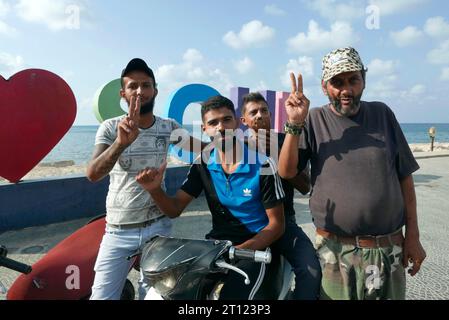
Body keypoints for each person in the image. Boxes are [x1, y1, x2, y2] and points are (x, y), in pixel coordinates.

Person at [278, 47, 426, 300]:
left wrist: (413, 234)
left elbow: (404, 177)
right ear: (325, 87)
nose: (346, 90)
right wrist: (294, 123)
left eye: (353, 80)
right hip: (334, 251)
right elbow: (287, 170)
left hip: (386, 250)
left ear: (363, 81)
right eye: (337, 82)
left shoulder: (382, 114)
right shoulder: (314, 120)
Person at [136, 95, 285, 300]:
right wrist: (154, 190)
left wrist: (238, 250)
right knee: (177, 292)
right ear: (204, 129)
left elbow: (276, 225)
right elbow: (174, 208)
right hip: (217, 247)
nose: (221, 127)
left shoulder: (264, 165)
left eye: (226, 120)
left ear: (237, 124)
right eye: (213, 123)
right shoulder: (203, 163)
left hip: (257, 249)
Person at [86, 58, 200, 300]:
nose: (140, 91)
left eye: (146, 85)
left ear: (155, 90)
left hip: (158, 228)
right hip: (117, 230)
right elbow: (93, 173)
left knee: (157, 298)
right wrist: (120, 143)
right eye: (133, 86)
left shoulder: (169, 127)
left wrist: (245, 144)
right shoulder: (110, 127)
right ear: (123, 93)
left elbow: (204, 149)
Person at [240, 92, 321, 300]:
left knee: (311, 270)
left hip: (285, 224)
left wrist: (275, 152)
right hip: (249, 226)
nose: (260, 116)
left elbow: (305, 185)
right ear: (244, 120)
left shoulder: (287, 140)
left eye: (264, 111)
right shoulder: (236, 148)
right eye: (253, 112)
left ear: (271, 115)